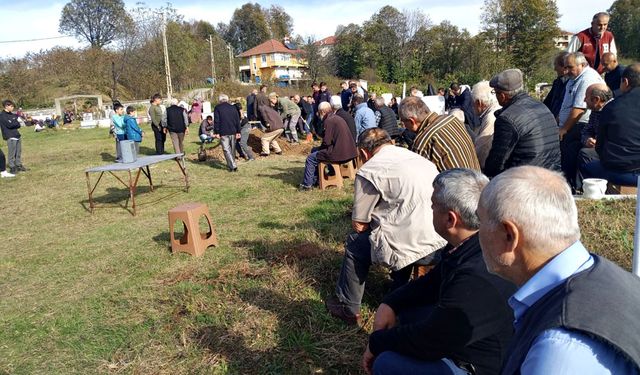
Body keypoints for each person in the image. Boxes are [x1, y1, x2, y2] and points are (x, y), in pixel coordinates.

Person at [477, 166, 640, 375]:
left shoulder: (557, 349)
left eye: (480, 221)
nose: (476, 232)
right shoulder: (612, 278)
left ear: (510, 235)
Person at [362, 169, 516, 375]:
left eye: (433, 205)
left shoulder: (477, 275)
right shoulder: (475, 243)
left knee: (386, 363)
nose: (431, 209)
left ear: (451, 220)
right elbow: (432, 282)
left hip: (479, 366)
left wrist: (377, 343)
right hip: (467, 341)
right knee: (409, 313)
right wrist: (391, 302)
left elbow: (432, 340)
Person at [325, 128, 446, 325]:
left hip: (413, 244)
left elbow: (359, 224)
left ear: (363, 153)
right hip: (441, 240)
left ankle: (347, 306)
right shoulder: (418, 158)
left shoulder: (370, 169)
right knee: (398, 226)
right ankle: (397, 287)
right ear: (390, 142)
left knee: (356, 245)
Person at [484, 69, 560, 177]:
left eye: (495, 92)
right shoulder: (540, 106)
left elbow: (497, 161)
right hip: (553, 174)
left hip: (526, 180)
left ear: (502, 95)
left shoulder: (506, 119)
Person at [582, 63, 640, 186]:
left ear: (625, 82)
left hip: (619, 170)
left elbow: (600, 146)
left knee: (587, 165)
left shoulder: (612, 107)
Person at [558, 52, 604, 188]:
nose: (566, 71)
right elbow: (567, 104)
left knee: (569, 151)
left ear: (582, 65)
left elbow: (579, 109)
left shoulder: (587, 79)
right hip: (571, 124)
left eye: (570, 67)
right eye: (565, 67)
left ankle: (570, 185)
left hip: (581, 124)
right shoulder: (575, 77)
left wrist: (564, 129)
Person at [399, 96, 480, 172]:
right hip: (478, 180)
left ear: (412, 121)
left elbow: (419, 180)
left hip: (456, 185)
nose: (403, 125)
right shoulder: (452, 119)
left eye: (403, 121)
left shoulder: (423, 142)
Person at [299, 102, 356, 190]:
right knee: (314, 151)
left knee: (310, 158)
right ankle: (315, 180)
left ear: (322, 111)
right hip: (348, 151)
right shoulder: (336, 117)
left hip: (338, 153)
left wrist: (319, 140)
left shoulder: (329, 121)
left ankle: (307, 185)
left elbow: (327, 142)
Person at [576, 83, 612, 188]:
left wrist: (600, 143)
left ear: (596, 99)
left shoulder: (613, 111)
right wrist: (587, 139)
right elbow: (587, 130)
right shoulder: (596, 111)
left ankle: (584, 188)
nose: (584, 100)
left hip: (610, 151)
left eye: (586, 97)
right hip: (597, 147)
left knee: (585, 153)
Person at [471, 80, 501, 169]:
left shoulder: (491, 117)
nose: (472, 107)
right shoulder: (497, 109)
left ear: (479, 103)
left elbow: (482, 150)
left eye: (473, 103)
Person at [213, 94, 241, 172]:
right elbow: (237, 120)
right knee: (232, 149)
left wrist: (217, 132)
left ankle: (232, 165)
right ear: (227, 99)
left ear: (220, 100)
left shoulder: (217, 108)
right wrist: (238, 131)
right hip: (233, 131)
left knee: (226, 149)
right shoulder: (233, 107)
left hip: (223, 131)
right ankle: (232, 165)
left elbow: (216, 121)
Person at [0, 100, 26, 174]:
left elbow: (18, 124)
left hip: (17, 135)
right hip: (10, 136)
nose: (12, 107)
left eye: (13, 106)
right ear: (6, 106)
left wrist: (14, 122)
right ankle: (12, 167)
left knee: (18, 152)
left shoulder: (12, 114)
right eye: (11, 106)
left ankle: (18, 165)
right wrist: (14, 123)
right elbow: (9, 125)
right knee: (11, 153)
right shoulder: (2, 115)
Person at [543, 52, 570, 120]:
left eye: (556, 65)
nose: (555, 69)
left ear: (564, 68)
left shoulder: (573, 84)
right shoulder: (557, 82)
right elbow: (547, 102)